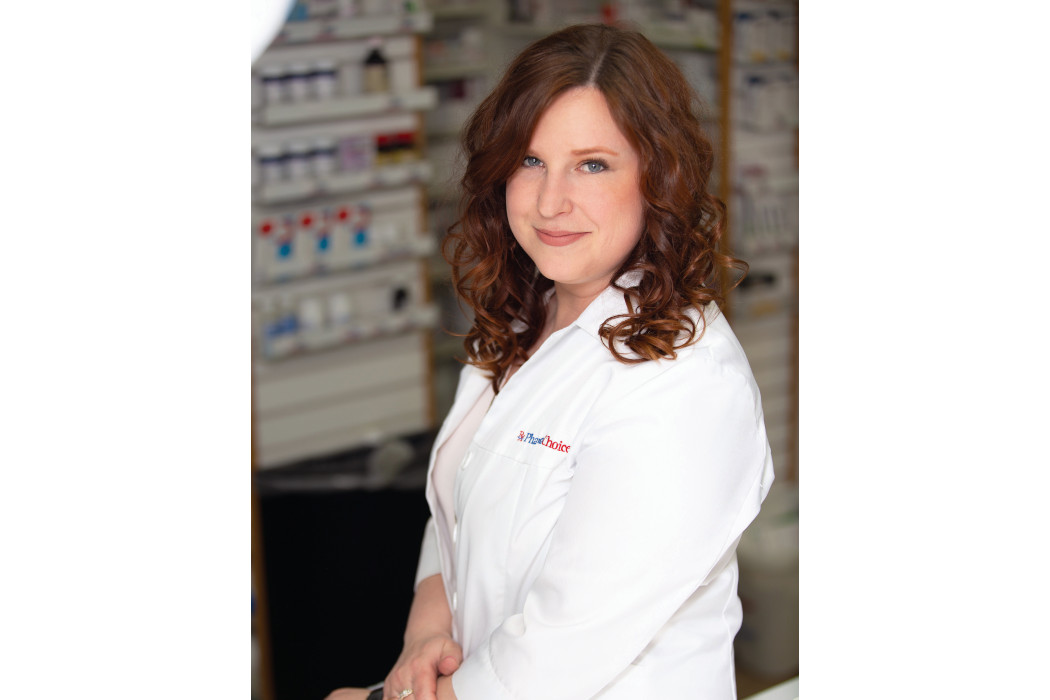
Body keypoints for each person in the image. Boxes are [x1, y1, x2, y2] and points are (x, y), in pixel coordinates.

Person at [327, 22, 775, 700]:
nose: (549, 201)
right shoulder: (521, 319)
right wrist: (427, 629)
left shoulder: (686, 384)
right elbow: (461, 503)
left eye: (592, 164)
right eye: (530, 161)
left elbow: (561, 649)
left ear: (660, 178)